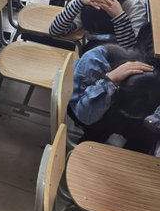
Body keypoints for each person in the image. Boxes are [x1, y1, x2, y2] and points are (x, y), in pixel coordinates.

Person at [68, 24, 160, 153]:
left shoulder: (152, 83)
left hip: (129, 103)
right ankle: (86, 148)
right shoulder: (94, 60)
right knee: (100, 126)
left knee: (146, 135)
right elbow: (85, 115)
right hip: (83, 102)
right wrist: (110, 80)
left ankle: (131, 157)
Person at [49, 0, 147, 51]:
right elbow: (55, 31)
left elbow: (133, 51)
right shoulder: (86, 2)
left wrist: (119, 16)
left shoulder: (136, 8)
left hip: (123, 44)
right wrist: (78, 2)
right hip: (95, 43)